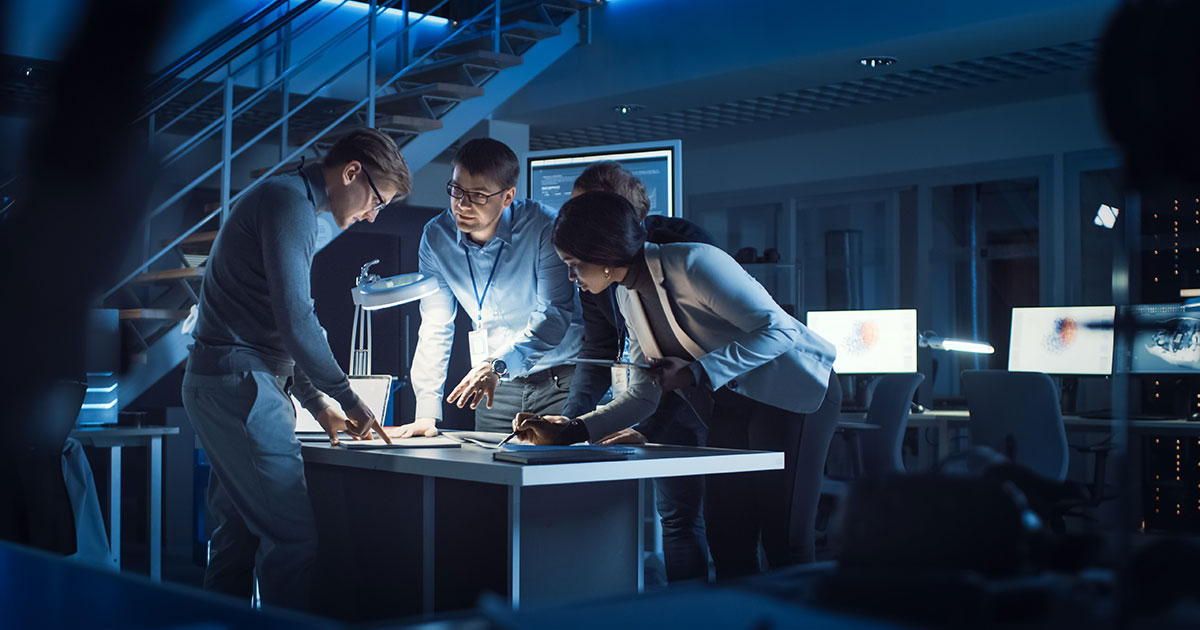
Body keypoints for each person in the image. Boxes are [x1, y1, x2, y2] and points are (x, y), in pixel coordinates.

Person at [514, 191, 840, 580]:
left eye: (574, 265)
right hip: (734, 404)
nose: (572, 276)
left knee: (784, 542)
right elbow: (643, 393)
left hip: (794, 393)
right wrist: (572, 431)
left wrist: (695, 372)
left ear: (602, 257)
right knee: (729, 541)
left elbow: (781, 329)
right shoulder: (626, 294)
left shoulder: (693, 263)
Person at [182, 128, 409, 611]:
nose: (372, 214)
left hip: (228, 382)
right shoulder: (290, 206)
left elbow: (280, 321)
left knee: (236, 540)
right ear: (351, 172)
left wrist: (317, 403)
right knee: (293, 543)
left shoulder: (288, 198)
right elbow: (296, 318)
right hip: (241, 385)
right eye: (376, 200)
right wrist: (345, 397)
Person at [559, 161, 715, 584]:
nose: (578, 223)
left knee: (688, 518)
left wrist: (645, 424)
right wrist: (571, 422)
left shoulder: (682, 248)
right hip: (642, 393)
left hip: (697, 398)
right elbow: (600, 348)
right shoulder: (589, 264)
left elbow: (702, 350)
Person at [392, 138, 583, 436]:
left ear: (507, 197)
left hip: (560, 381)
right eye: (456, 190)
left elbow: (554, 313)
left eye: (478, 195)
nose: (462, 205)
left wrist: (498, 365)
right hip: (494, 385)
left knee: (560, 477)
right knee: (493, 475)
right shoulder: (436, 237)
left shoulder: (544, 227)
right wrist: (426, 412)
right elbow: (435, 324)